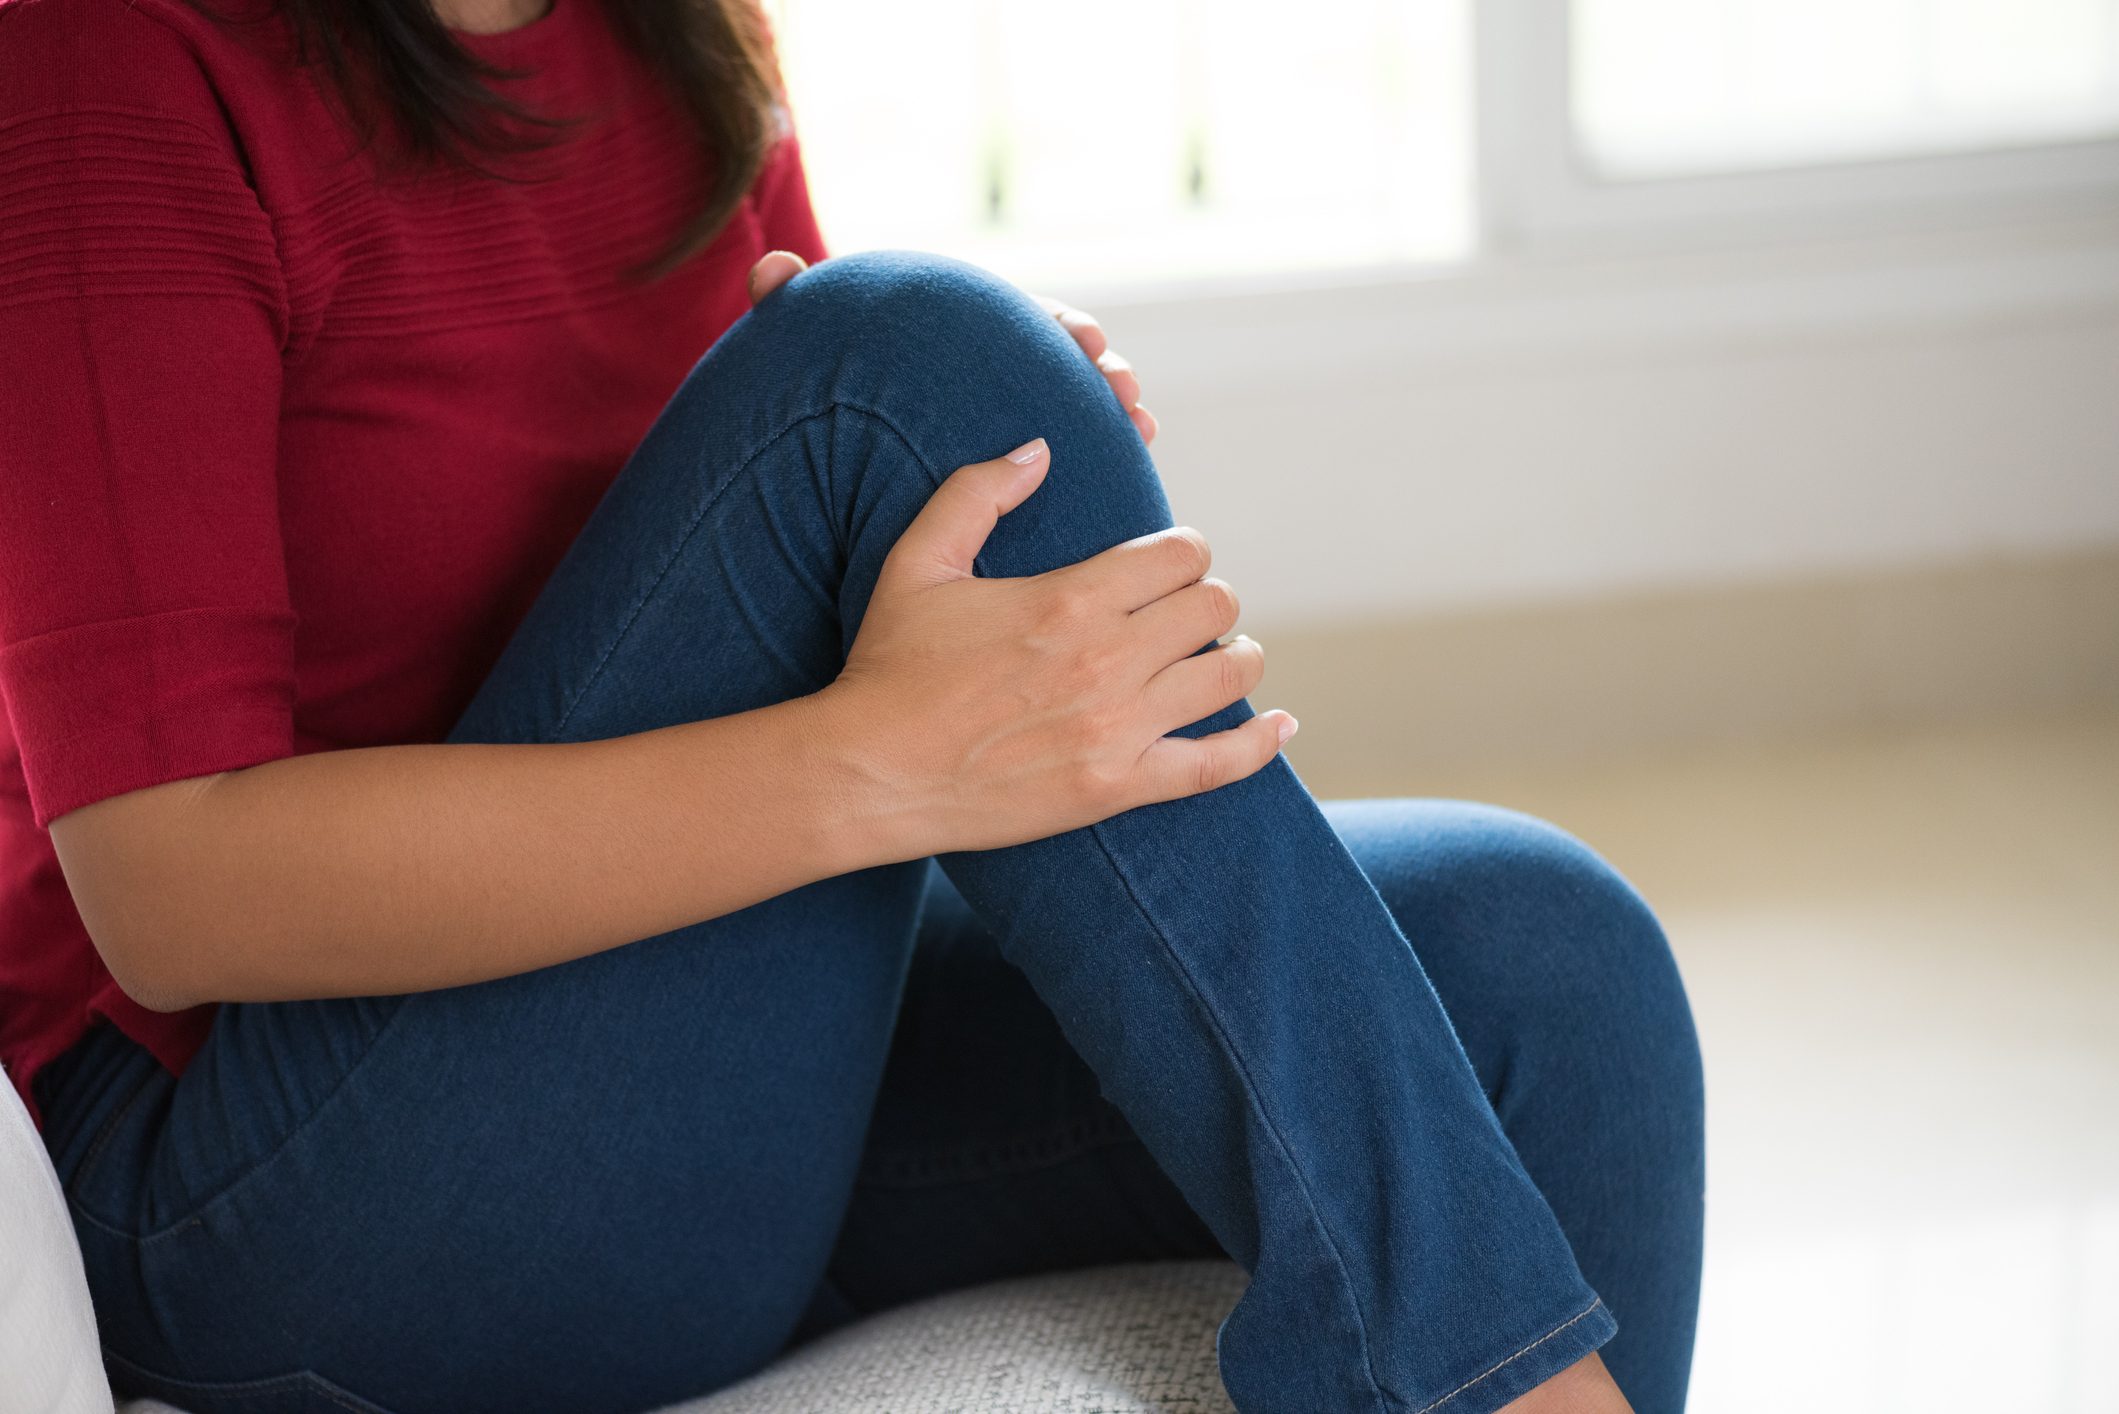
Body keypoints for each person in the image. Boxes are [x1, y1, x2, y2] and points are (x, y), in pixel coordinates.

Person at [0, 0, 1705, 1409]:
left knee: (1550, 961)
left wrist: (981, 459)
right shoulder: (109, 56)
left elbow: (802, 513)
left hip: (694, 1057)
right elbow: (169, 886)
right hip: (272, 1180)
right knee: (910, 356)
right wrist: (869, 763)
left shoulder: (669, 29)